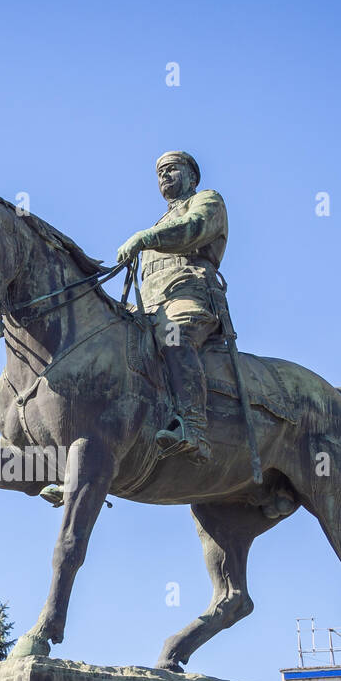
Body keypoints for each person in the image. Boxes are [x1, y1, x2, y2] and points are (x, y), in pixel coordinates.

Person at [116, 151, 232, 463]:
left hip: (189, 293)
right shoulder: (159, 223)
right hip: (150, 305)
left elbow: (195, 227)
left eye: (172, 169)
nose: (164, 176)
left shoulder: (207, 200)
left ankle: (193, 428)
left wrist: (145, 238)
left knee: (174, 334)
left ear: (192, 177)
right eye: (160, 173)